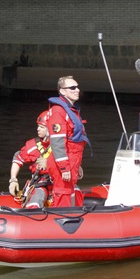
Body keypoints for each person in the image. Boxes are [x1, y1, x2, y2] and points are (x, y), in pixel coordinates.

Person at [46, 76, 89, 207]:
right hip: (63, 163)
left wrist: (77, 164)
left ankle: (71, 215)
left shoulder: (71, 111)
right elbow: (57, 142)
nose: (77, 90)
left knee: (69, 192)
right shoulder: (58, 111)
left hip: (72, 161)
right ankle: (60, 220)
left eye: (77, 87)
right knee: (63, 193)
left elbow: (74, 143)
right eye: (72, 88)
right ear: (62, 91)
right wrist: (64, 168)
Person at [8, 111, 53, 208]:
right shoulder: (32, 146)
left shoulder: (61, 146)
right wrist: (13, 180)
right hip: (41, 184)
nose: (37, 129)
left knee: (75, 192)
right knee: (38, 197)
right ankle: (33, 215)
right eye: (38, 126)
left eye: (41, 127)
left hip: (59, 184)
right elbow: (18, 158)